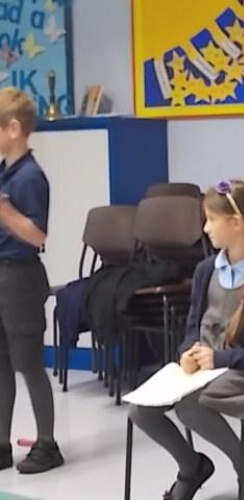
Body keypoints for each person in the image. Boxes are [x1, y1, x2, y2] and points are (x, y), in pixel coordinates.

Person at [129, 179, 244, 500]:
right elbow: (193, 326)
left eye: (210, 220)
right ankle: (191, 467)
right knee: (140, 411)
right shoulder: (206, 270)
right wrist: (187, 351)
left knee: (191, 407)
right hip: (205, 368)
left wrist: (221, 358)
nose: (205, 228)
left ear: (236, 224)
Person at [0, 87, 63, 473]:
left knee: (28, 363)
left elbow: (37, 234)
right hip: (2, 274)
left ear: (13, 128)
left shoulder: (29, 178)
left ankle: (48, 443)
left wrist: (4, 211)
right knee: (2, 364)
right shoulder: (5, 171)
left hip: (20, 278)